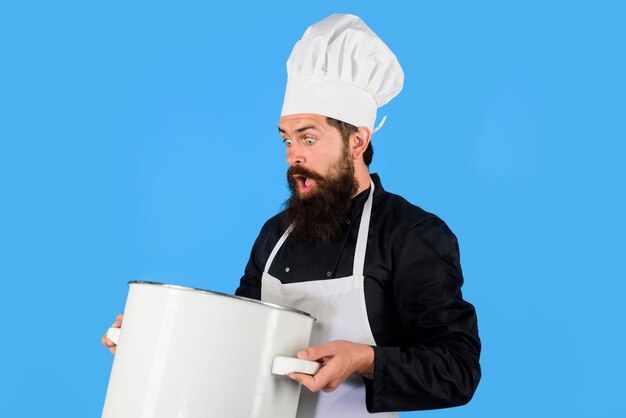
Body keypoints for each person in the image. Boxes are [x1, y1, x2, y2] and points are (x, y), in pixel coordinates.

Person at [103, 14, 481, 418]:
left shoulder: (411, 234)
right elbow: (238, 343)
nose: (292, 156)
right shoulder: (275, 234)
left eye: (309, 137)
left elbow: (457, 370)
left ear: (358, 140)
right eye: (287, 139)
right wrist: (158, 336)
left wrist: (365, 360)